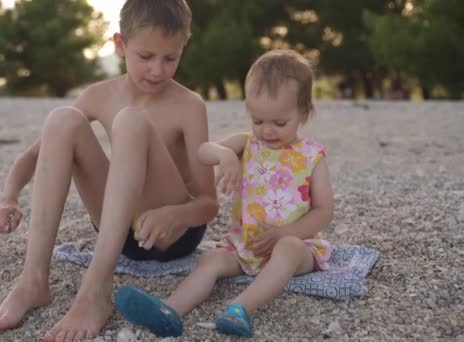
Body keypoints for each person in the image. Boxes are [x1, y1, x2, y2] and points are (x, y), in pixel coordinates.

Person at [0, 1, 218, 341]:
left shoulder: (189, 105)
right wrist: (8, 197)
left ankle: (96, 290)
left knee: (131, 122)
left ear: (182, 48)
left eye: (170, 58)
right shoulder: (101, 94)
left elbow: (209, 203)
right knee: (62, 119)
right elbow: (34, 154)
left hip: (171, 234)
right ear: (120, 44)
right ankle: (33, 281)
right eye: (146, 57)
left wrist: (176, 215)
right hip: (117, 232)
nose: (158, 70)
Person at [115, 49, 334, 338]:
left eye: (279, 123)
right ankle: (169, 310)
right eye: (258, 120)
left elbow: (324, 211)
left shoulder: (311, 156)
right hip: (246, 246)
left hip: (297, 247)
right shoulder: (247, 144)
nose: (267, 131)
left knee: (289, 248)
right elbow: (203, 151)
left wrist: (286, 233)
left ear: (304, 113)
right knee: (211, 260)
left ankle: (239, 308)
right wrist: (226, 155)